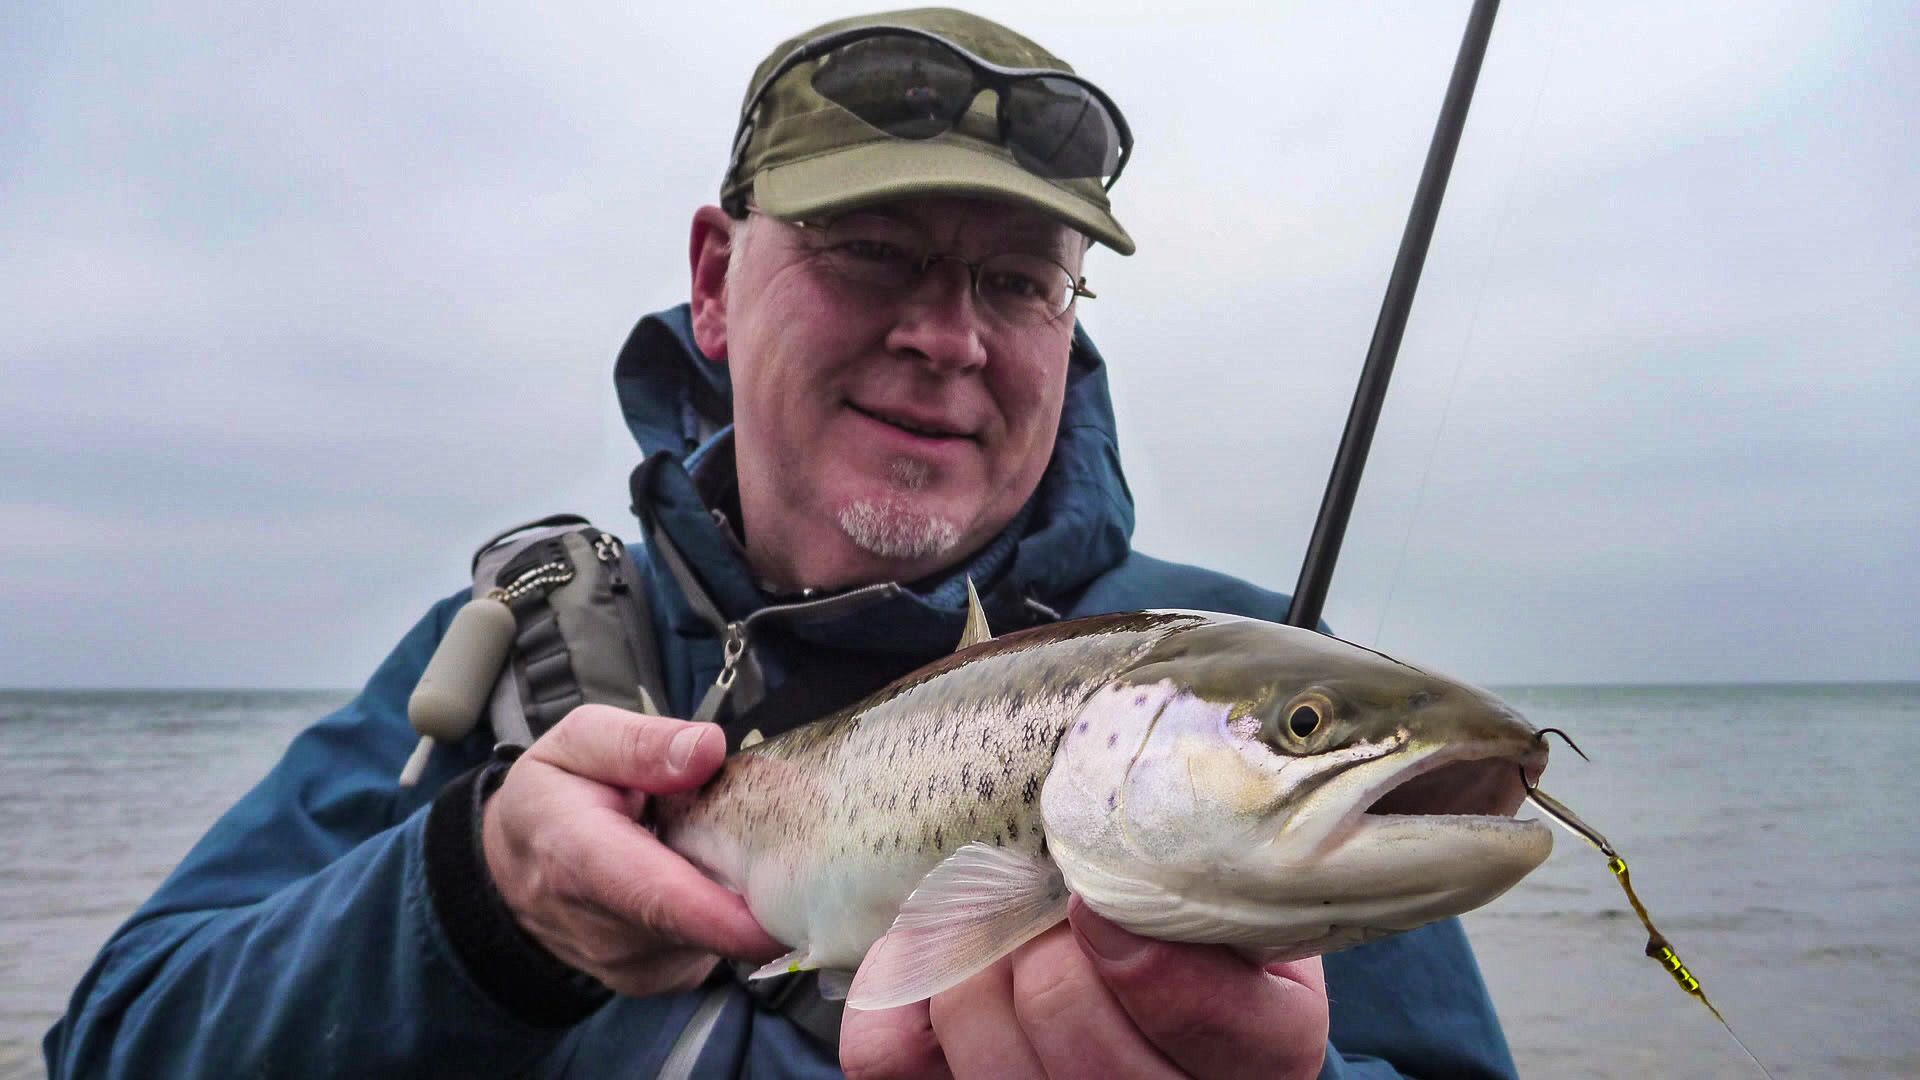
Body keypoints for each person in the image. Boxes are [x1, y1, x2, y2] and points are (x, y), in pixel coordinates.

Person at [46, 8, 1520, 1078]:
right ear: (713, 279)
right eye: (872, 250)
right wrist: (479, 910)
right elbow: (117, 1037)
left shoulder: (1261, 692)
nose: (947, 337)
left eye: (1019, 284)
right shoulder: (504, 661)